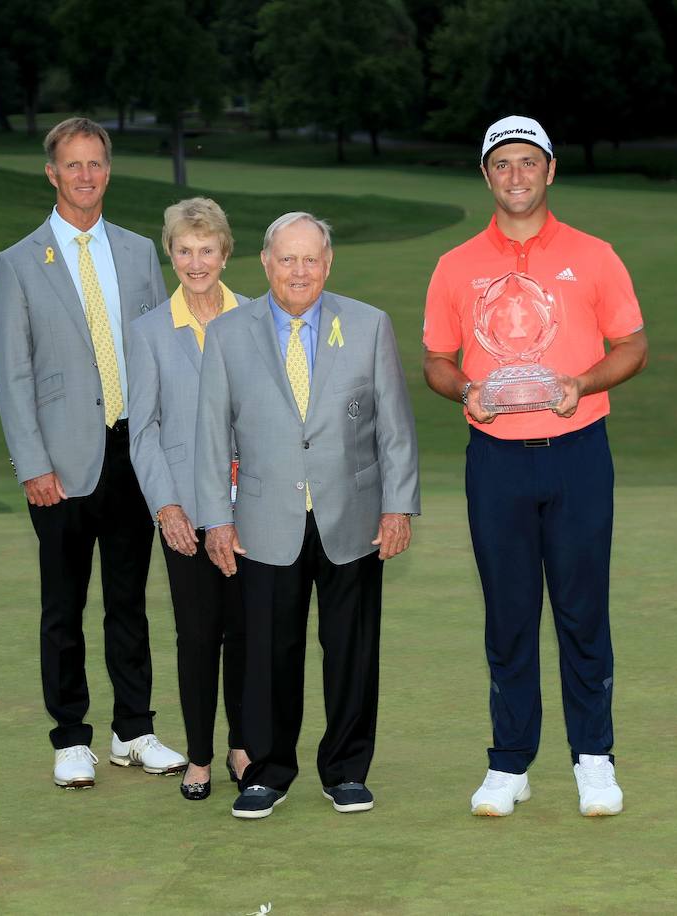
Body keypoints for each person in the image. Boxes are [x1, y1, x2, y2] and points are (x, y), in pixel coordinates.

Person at [422, 116, 649, 817]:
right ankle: (510, 762)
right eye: (502, 165)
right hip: (495, 460)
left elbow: (633, 345)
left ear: (550, 170)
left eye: (528, 163)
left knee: (582, 612)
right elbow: (436, 359)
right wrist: (466, 390)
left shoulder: (596, 255)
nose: (515, 176)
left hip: (578, 452)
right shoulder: (456, 265)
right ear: (486, 176)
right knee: (509, 614)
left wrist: (583, 383)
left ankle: (594, 758)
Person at [194, 212, 420, 820]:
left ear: (328, 264)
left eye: (311, 259)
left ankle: (346, 770)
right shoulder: (228, 332)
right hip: (265, 518)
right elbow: (212, 436)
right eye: (287, 259)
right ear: (266, 264)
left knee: (351, 648)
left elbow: (395, 430)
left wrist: (399, 506)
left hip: (353, 516)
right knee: (268, 650)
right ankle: (267, 772)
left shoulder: (369, 325)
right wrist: (217, 518)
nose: (299, 271)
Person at [0, 117, 186, 789]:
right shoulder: (18, 263)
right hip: (61, 462)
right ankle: (71, 735)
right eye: (72, 165)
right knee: (63, 604)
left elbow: (160, 353)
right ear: (52, 174)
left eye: (95, 163)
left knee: (129, 601)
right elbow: (12, 374)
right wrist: (32, 464)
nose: (84, 175)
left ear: (109, 170)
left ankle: (134, 730)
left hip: (133, 452)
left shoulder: (136, 254)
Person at [126, 198, 251, 801]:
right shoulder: (149, 331)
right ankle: (200, 754)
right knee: (198, 633)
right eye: (184, 250)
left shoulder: (257, 318)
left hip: (252, 507)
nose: (195, 262)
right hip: (183, 512)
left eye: (207, 250)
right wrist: (165, 507)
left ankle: (243, 745)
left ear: (225, 254)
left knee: (248, 631)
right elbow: (142, 427)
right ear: (169, 254)